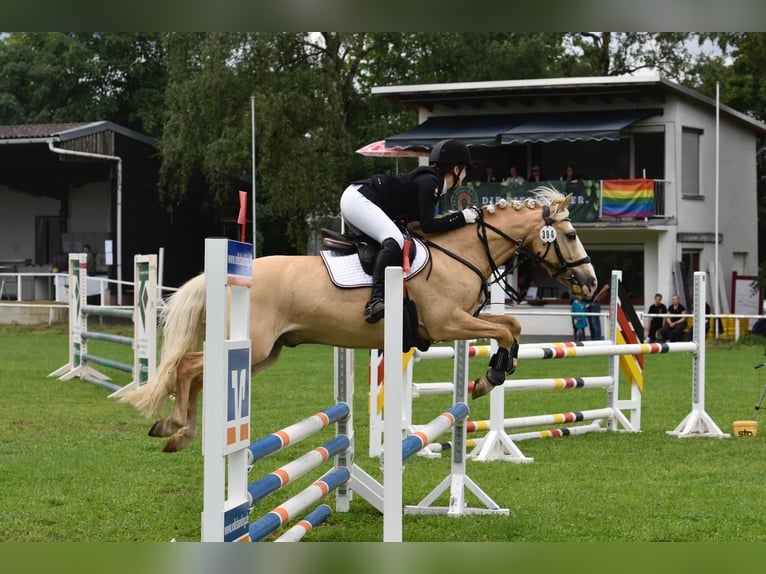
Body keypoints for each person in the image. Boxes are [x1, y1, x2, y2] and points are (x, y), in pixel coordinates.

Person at [340, 139, 477, 323]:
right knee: (394, 240)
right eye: (465, 170)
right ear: (456, 169)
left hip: (358, 199)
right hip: (359, 199)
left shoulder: (431, 181)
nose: (465, 175)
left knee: (392, 241)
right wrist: (462, 217)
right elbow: (428, 225)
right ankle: (376, 300)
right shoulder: (431, 182)